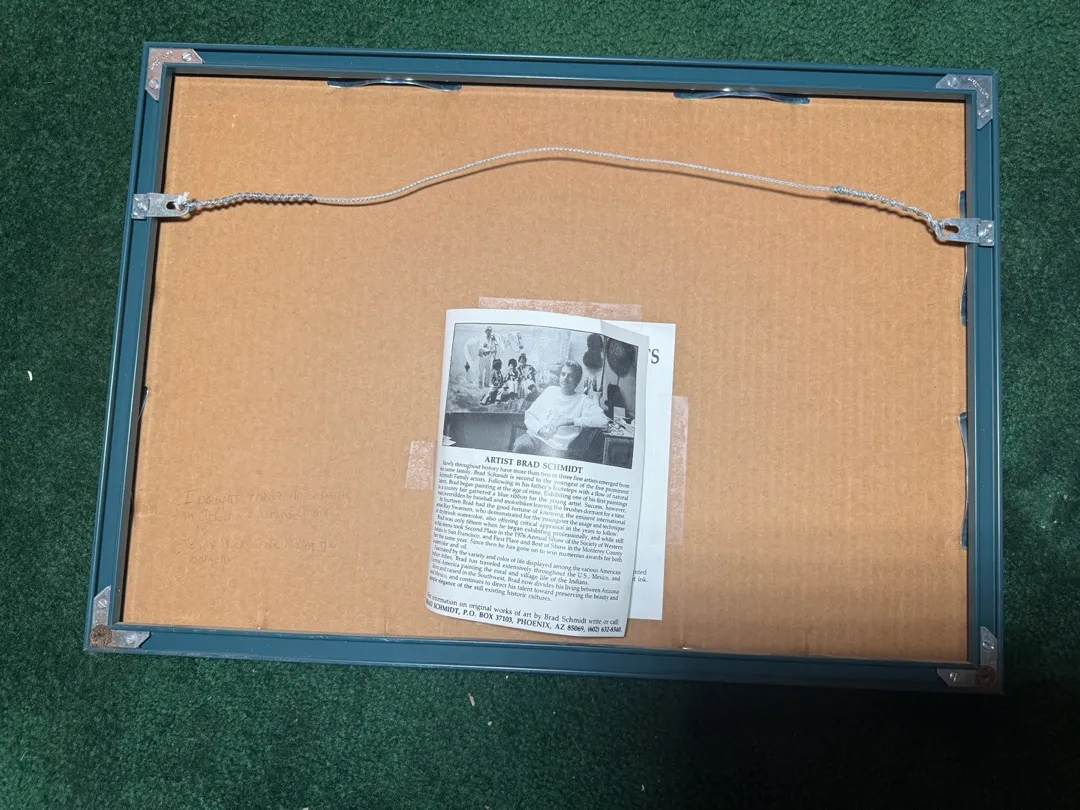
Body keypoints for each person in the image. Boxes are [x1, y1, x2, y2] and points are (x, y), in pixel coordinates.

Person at [513, 361, 609, 457]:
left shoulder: (582, 400)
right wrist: (540, 430)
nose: (565, 378)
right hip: (534, 439)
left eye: (570, 376)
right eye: (563, 374)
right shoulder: (550, 391)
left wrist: (569, 421)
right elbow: (530, 415)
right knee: (521, 446)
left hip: (557, 449)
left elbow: (604, 421)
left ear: (577, 380)